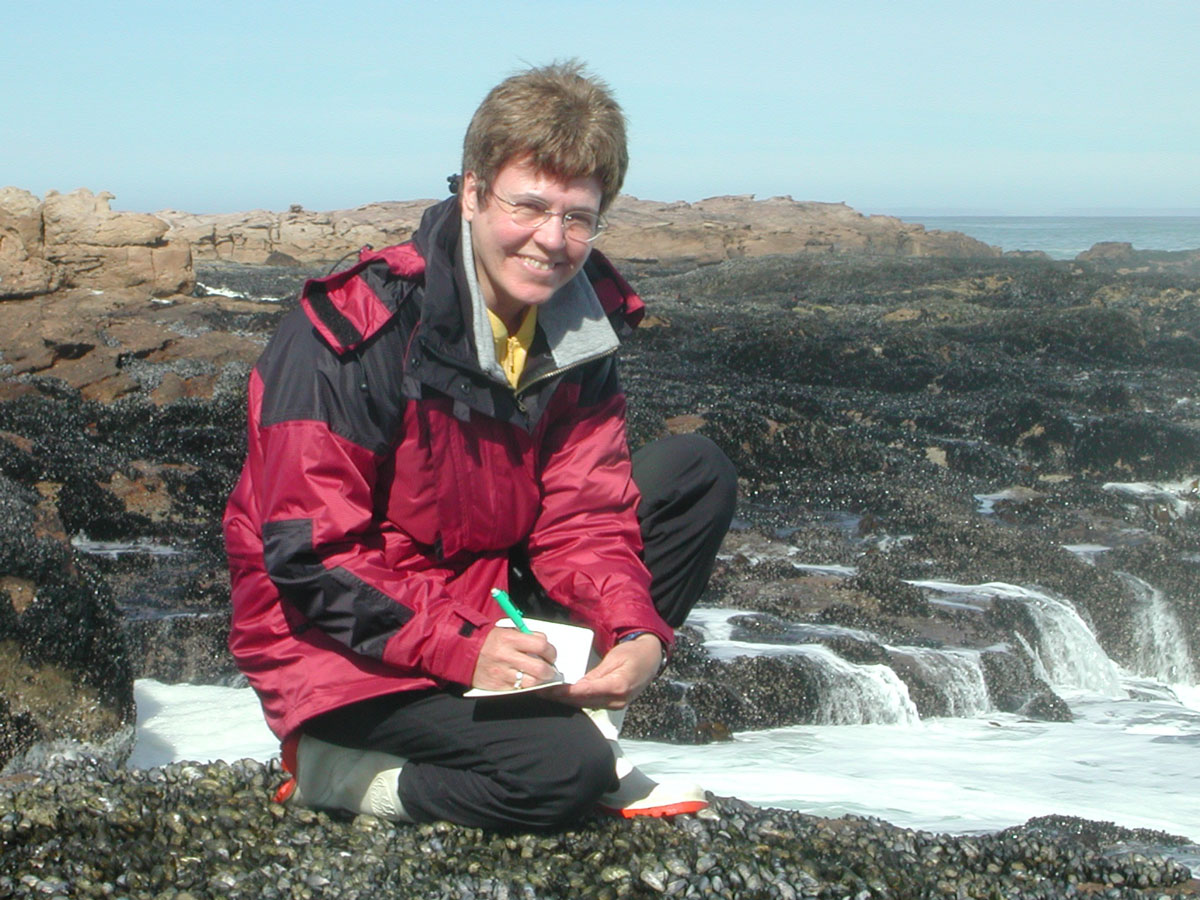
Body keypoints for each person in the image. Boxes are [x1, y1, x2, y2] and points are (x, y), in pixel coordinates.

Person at [223, 60, 736, 831]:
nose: (552, 241)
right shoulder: (354, 333)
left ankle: (577, 721)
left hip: (480, 594)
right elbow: (311, 555)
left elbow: (585, 516)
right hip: (340, 640)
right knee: (562, 777)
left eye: (578, 216)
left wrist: (635, 631)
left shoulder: (577, 329)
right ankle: (335, 768)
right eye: (527, 206)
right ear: (470, 193)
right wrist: (468, 650)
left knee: (695, 474)